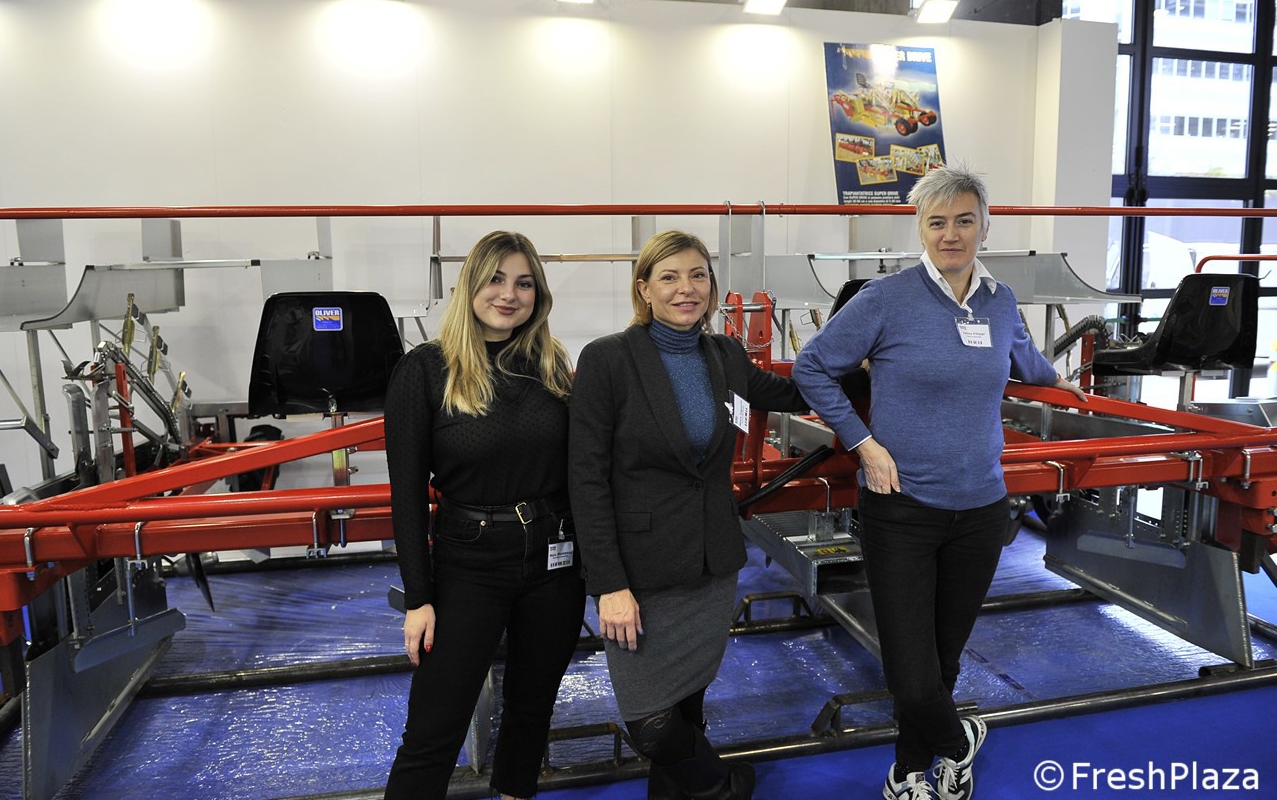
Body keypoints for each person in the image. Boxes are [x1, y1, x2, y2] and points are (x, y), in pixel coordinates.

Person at [792, 164, 1088, 800]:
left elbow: (1024, 359)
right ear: (920, 229)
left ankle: (908, 772)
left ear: (985, 226)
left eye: (964, 220)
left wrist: (1061, 383)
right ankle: (960, 742)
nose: (951, 234)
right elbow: (811, 367)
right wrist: (864, 443)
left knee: (943, 659)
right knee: (910, 668)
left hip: (982, 509)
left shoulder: (999, 300)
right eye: (937, 222)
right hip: (902, 508)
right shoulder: (885, 299)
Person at [568, 230, 812, 800]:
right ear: (643, 289)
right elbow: (586, 480)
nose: (687, 289)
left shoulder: (724, 355)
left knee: (687, 707)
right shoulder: (608, 360)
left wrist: (872, 366)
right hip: (640, 573)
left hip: (710, 562)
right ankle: (724, 789)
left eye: (698, 275)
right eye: (670, 277)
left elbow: (790, 393)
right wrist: (609, 584)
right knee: (652, 725)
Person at [383, 230, 585, 800]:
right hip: (468, 563)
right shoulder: (425, 370)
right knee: (435, 726)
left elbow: (582, 470)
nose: (509, 295)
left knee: (531, 709)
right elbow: (406, 495)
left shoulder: (551, 364)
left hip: (554, 560)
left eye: (524, 283)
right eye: (495, 279)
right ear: (469, 284)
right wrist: (418, 598)